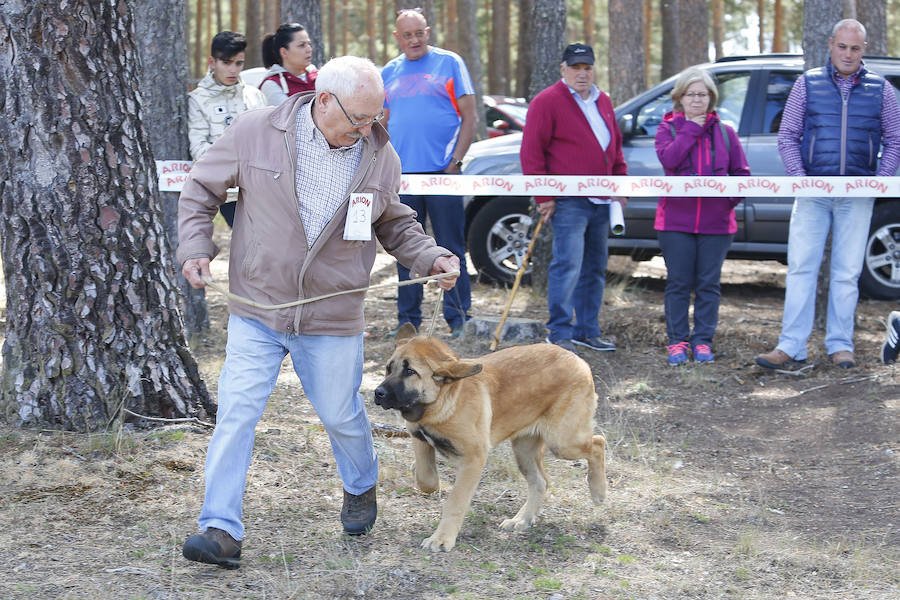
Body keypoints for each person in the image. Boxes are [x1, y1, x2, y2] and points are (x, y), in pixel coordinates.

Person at [176, 56, 461, 568]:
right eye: (358, 118)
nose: (367, 128)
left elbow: (394, 221)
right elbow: (200, 189)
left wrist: (430, 255)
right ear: (323, 100)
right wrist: (196, 246)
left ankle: (360, 483)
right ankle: (219, 528)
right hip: (258, 306)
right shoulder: (256, 130)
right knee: (236, 416)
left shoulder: (379, 153)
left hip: (332, 313)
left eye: (376, 117)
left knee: (339, 413)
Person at [755, 19, 900, 371]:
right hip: (813, 193)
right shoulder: (807, 84)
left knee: (847, 273)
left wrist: (878, 182)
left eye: (856, 48)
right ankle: (791, 346)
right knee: (802, 269)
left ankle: (841, 345)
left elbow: (895, 140)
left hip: (858, 193)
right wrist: (800, 179)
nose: (848, 54)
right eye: (843, 46)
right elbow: (787, 134)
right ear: (831, 44)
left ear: (863, 49)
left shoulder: (882, 90)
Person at [519, 43, 628, 353]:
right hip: (568, 201)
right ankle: (559, 331)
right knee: (567, 265)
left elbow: (615, 149)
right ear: (563, 69)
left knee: (595, 266)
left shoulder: (603, 100)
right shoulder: (547, 101)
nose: (582, 74)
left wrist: (620, 187)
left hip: (602, 200)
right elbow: (532, 152)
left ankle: (587, 329)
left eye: (587, 68)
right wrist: (544, 196)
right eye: (576, 68)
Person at [381, 8, 475, 338]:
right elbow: (383, 122)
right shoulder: (389, 71)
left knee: (451, 246)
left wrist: (457, 160)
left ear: (428, 32)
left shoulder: (450, 63)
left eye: (419, 33)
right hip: (403, 177)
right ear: (398, 38)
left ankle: (460, 318)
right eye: (407, 35)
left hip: (443, 173)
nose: (414, 40)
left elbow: (470, 115)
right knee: (406, 249)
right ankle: (407, 322)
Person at [654, 67, 751, 365]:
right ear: (679, 98)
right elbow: (669, 159)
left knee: (709, 285)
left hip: (717, 224)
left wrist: (725, 203)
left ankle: (703, 341)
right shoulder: (666, 130)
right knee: (679, 283)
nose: (697, 100)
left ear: (711, 98)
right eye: (691, 94)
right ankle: (677, 342)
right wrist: (692, 129)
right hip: (675, 223)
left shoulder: (726, 132)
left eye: (703, 94)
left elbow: (742, 175)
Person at [187, 30, 267, 228]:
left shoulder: (255, 96)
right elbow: (198, 149)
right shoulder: (198, 99)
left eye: (238, 63)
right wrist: (237, 160)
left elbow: (269, 140)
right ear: (212, 62)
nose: (233, 70)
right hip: (228, 191)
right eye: (226, 62)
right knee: (248, 244)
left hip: (262, 188)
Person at [259, 22, 317, 106]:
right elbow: (290, 116)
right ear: (284, 52)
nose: (309, 49)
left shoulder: (318, 76)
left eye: (309, 44)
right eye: (301, 45)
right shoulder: (271, 85)